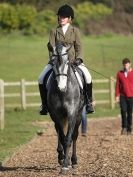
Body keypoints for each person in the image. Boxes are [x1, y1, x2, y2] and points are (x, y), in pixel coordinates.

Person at [38, 4, 94, 115]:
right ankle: (44, 105)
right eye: (60, 16)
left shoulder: (75, 31)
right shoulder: (54, 31)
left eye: (64, 17)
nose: (61, 18)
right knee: (40, 78)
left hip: (73, 62)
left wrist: (79, 59)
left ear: (69, 19)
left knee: (88, 77)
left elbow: (79, 47)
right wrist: (53, 60)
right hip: (57, 62)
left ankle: (88, 103)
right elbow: (51, 48)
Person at [115, 58, 133, 135]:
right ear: (123, 65)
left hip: (131, 96)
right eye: (124, 64)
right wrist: (116, 95)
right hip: (122, 96)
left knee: (129, 112)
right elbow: (117, 85)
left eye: (127, 64)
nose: (126, 65)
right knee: (123, 111)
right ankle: (124, 127)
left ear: (130, 64)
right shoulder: (119, 73)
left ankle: (129, 128)